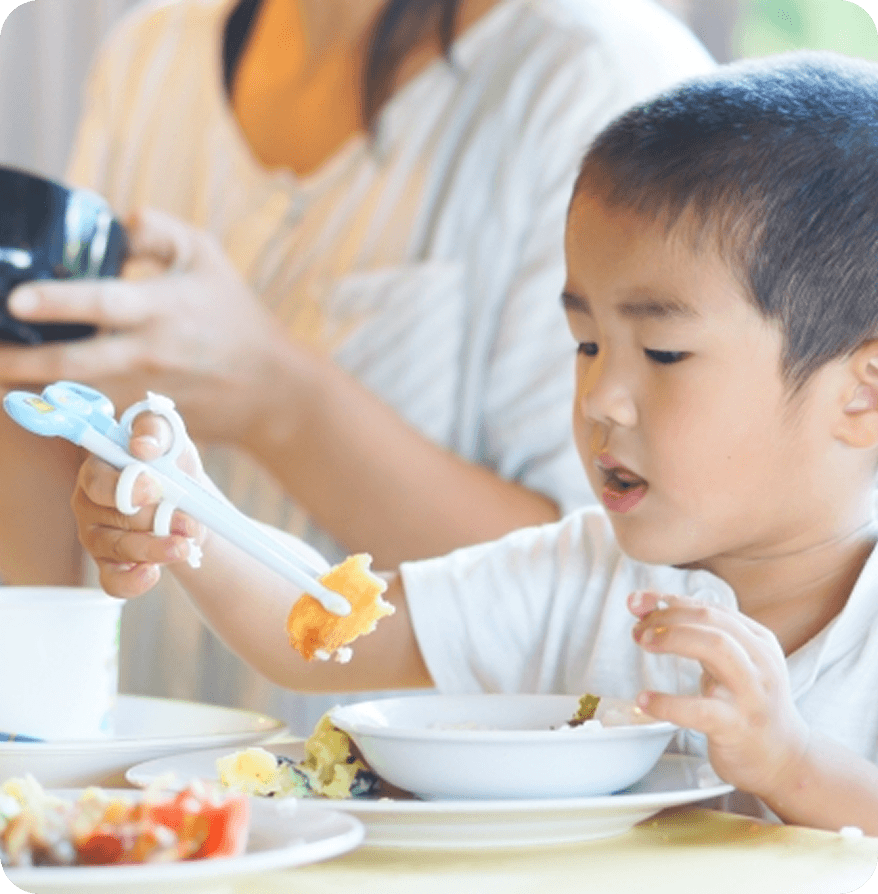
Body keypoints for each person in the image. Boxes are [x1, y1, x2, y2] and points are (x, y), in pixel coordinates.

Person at [69, 50, 878, 830]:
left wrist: (791, 764)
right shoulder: (578, 581)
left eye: (665, 353)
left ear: (861, 392)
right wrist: (186, 508)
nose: (601, 398)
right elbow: (321, 632)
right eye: (586, 344)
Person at [0, 0, 714, 732]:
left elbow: (593, 586)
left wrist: (272, 395)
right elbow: (55, 560)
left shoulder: (596, 76)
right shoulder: (149, 56)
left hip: (428, 818)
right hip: (150, 790)